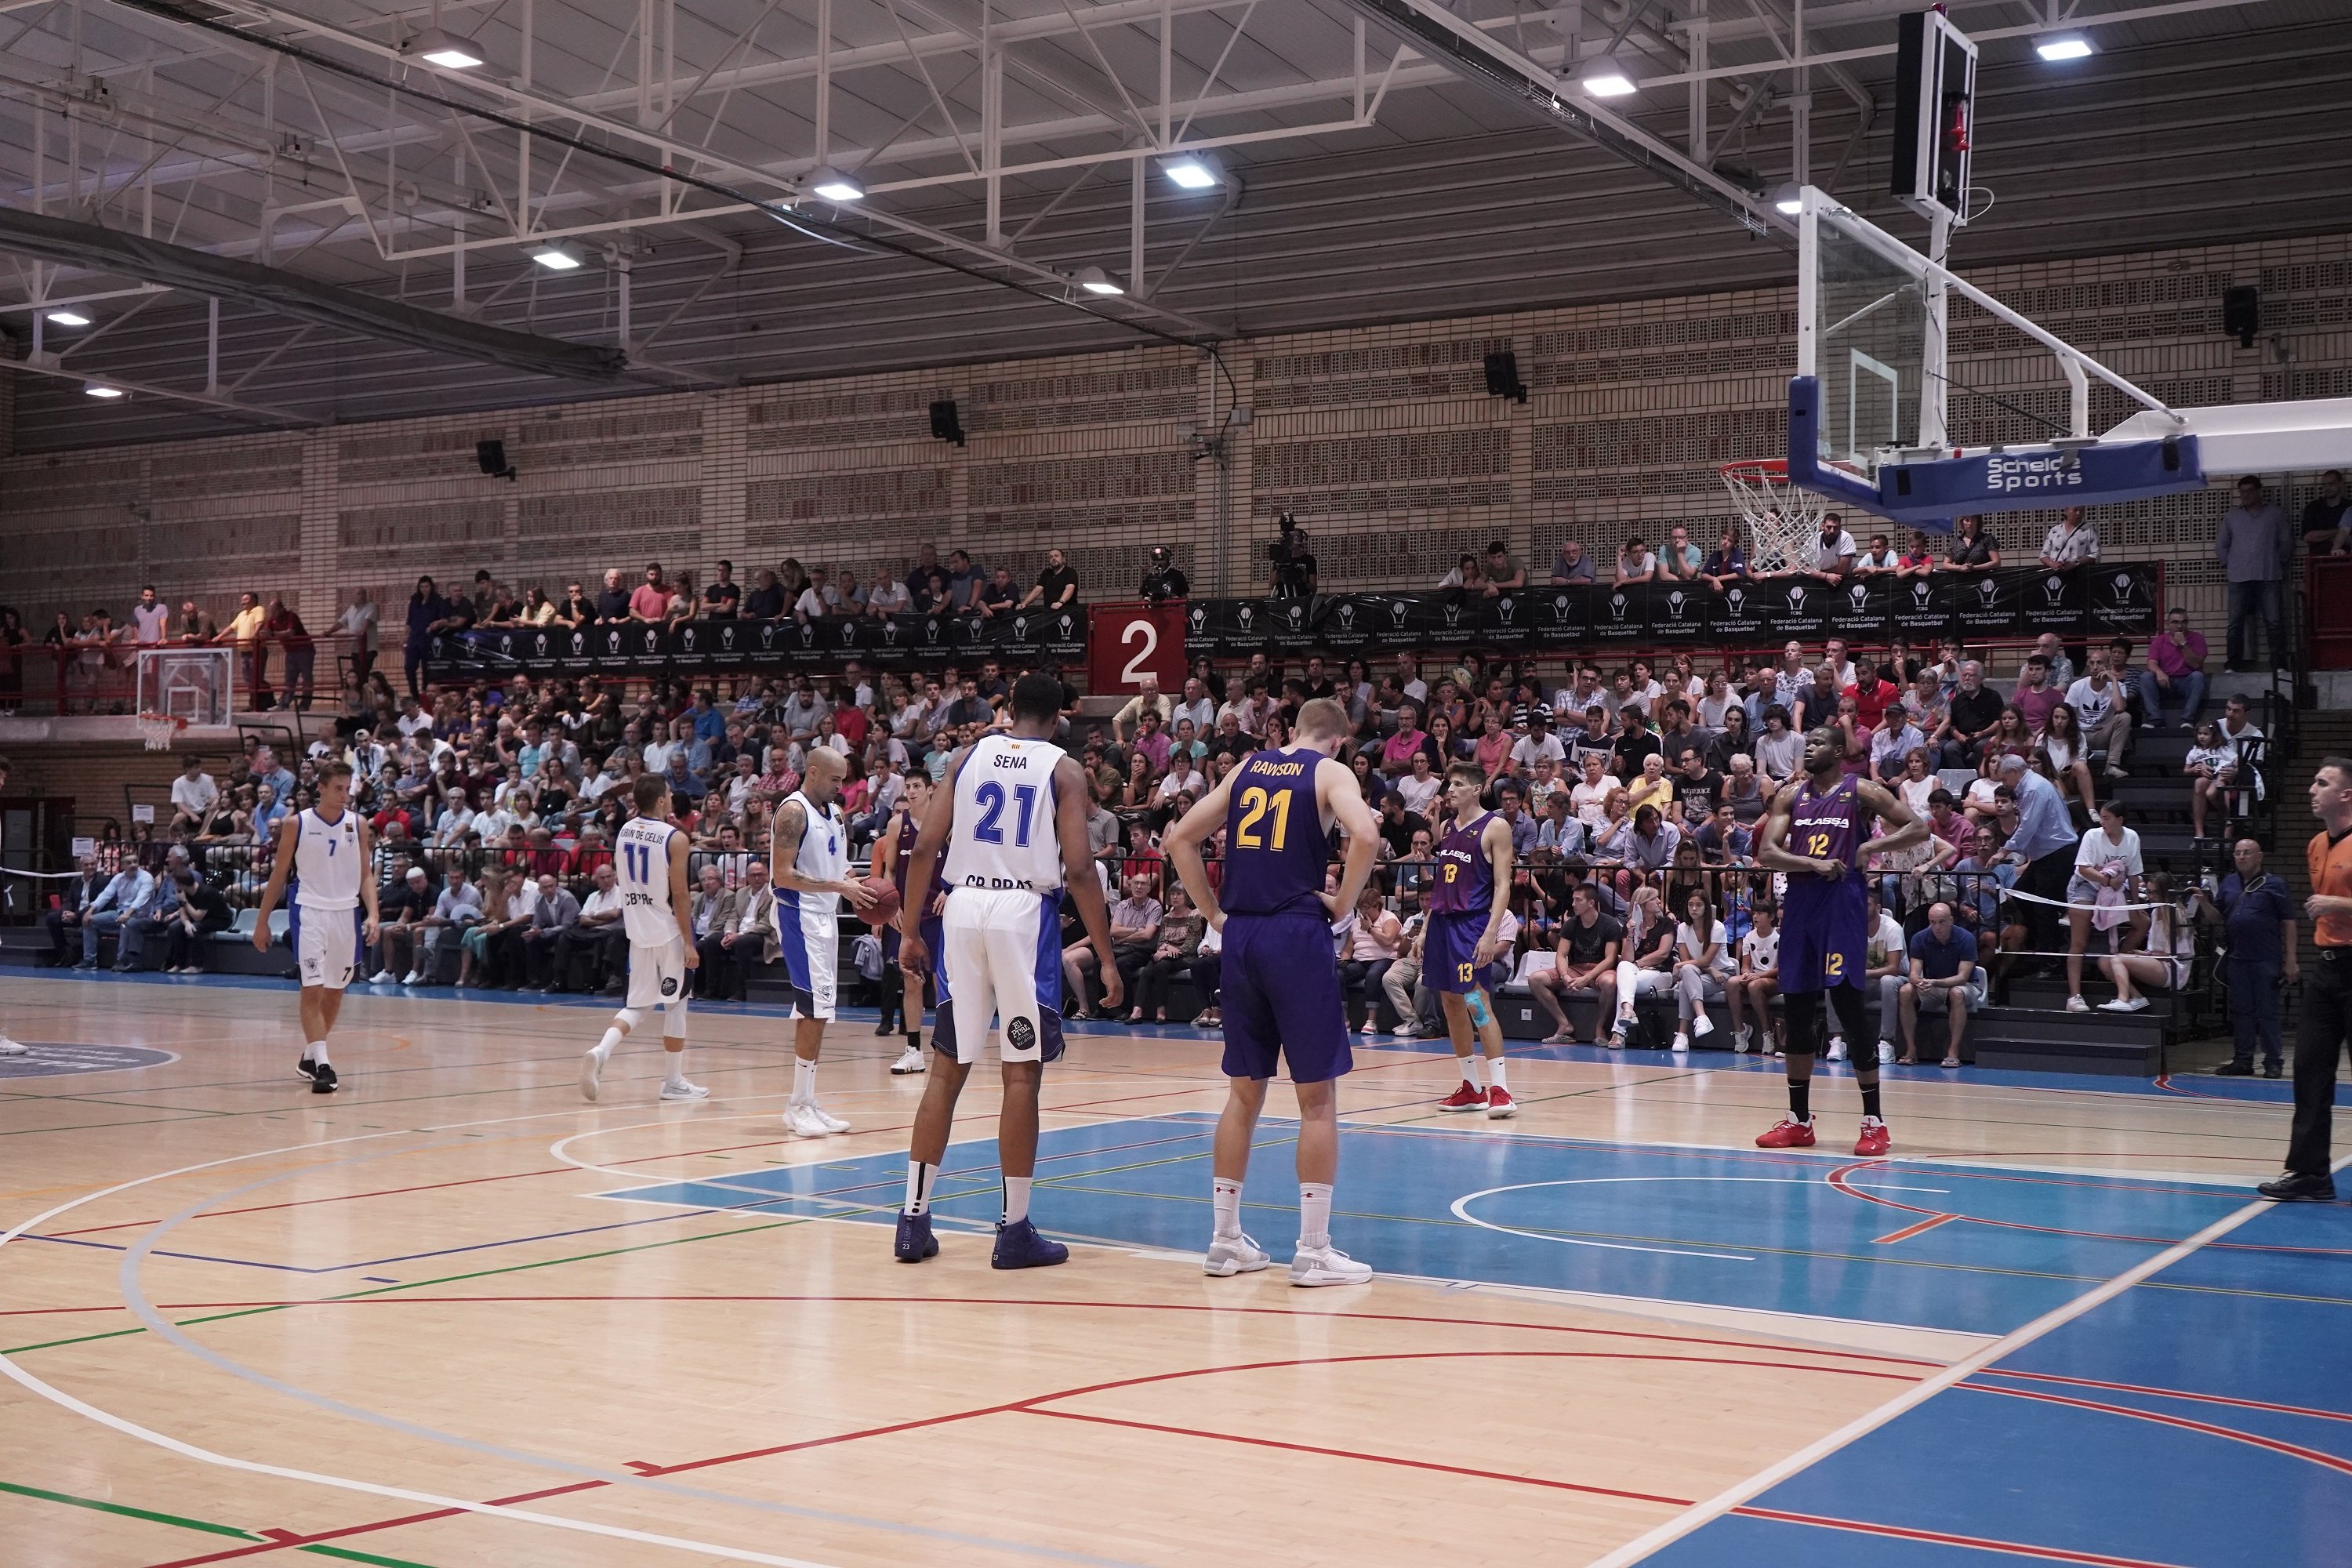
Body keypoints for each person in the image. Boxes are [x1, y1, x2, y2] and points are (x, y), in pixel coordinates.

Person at [894, 673, 1122, 1269]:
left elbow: (923, 848)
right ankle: (1014, 1230)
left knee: (946, 1071)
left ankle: (913, 1221)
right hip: (1023, 913)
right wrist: (1103, 952)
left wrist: (912, 929)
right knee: (1021, 1076)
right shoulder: (1065, 770)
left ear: (1010, 709)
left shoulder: (966, 757)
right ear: (1062, 717)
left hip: (963, 907)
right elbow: (1078, 868)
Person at [1161, 697, 1381, 1285]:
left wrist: (1212, 913)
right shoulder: (1330, 771)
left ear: (1295, 729)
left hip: (1242, 937)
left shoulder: (1246, 768)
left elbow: (1179, 838)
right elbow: (1365, 833)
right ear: (1337, 740)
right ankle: (1313, 1250)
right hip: (1294, 932)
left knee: (1243, 1095)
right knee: (1316, 1100)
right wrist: (1343, 904)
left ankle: (1225, 1240)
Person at [1754, 725, 1927, 1156]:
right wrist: (1810, 863)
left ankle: (1874, 1123)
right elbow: (1768, 853)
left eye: (1817, 743)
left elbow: (1919, 828)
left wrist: (1873, 848)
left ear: (1837, 750)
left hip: (1843, 902)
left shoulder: (1861, 789)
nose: (1809, 748)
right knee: (1795, 1010)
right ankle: (1798, 1121)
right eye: (1806, 743)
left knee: (1848, 1007)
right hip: (1800, 902)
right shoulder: (1790, 795)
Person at [250, 760, 381, 1094]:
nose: (344, 794)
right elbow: (279, 875)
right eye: (338, 788)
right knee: (312, 987)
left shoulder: (358, 823)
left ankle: (310, 1056)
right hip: (308, 910)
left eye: (347, 788)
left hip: (346, 913)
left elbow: (365, 873)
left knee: (335, 991)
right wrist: (262, 921)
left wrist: (374, 914)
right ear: (320, 788)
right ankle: (324, 1065)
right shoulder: (297, 823)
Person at [576, 775, 706, 1103]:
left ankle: (601, 1050)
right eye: (669, 794)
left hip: (637, 930)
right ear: (662, 801)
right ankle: (673, 1082)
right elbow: (680, 895)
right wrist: (689, 943)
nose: (672, 796)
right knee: (677, 1006)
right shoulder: (675, 838)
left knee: (638, 1006)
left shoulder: (624, 831)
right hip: (667, 930)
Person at [771, 748, 880, 1134]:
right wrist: (838, 886)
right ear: (813, 772)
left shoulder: (834, 813)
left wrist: (860, 886)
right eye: (835, 780)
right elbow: (782, 874)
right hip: (798, 914)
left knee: (816, 1009)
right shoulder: (793, 811)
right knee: (814, 1009)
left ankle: (807, 1100)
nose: (841, 787)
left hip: (825, 915)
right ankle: (796, 1105)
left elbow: (840, 866)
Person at [2263, 760, 2352, 1201]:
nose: (2313, 789)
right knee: (2310, 1071)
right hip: (2327, 968)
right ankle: (2310, 1173)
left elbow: (2335, 903)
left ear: (2346, 794)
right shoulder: (2317, 843)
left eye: (2323, 783)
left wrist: (2339, 902)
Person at [1427, 764, 1517, 1116]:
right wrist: (1424, 929)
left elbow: (1503, 885)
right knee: (1450, 1002)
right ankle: (1472, 1087)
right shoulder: (1448, 827)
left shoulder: (1496, 826)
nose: (1451, 789)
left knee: (1476, 1003)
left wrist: (1490, 932)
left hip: (1472, 924)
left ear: (1477, 789)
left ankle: (1501, 1090)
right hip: (1442, 924)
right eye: (1450, 783)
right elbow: (1441, 885)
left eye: (1459, 784)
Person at [2196, 838, 2295, 1077]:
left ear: (2259, 856)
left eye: (2247, 853)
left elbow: (2290, 923)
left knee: (2267, 1012)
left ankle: (2273, 1062)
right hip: (2237, 958)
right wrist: (2203, 902)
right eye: (2238, 853)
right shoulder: (2229, 883)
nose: (2241, 857)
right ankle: (2243, 1061)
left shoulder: (2275, 885)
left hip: (2265, 959)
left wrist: (2291, 960)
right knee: (2241, 1012)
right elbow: (2216, 918)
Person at [872, 771, 942, 1075]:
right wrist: (892, 905)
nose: (912, 792)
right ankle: (914, 1050)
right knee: (911, 981)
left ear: (930, 789)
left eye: (917, 787)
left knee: (944, 981)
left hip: (939, 913)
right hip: (908, 915)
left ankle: (947, 1044)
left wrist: (951, 892)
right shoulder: (896, 824)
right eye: (908, 787)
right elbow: (889, 872)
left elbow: (962, 862)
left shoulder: (945, 821)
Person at [2064, 802, 2146, 1012]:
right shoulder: (2092, 835)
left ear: (2120, 820)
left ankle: (2118, 965)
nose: (2103, 822)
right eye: (2101, 817)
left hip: (2116, 888)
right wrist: (2107, 881)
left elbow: (2134, 873)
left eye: (2107, 818)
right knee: (2079, 942)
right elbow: (2083, 868)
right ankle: (2074, 997)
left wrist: (2136, 904)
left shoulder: (2132, 837)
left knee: (2142, 921)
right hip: (2086, 886)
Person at [1530, 882, 1621, 1045]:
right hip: (1576, 968)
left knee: (1610, 982)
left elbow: (1610, 959)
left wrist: (1587, 979)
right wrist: (1564, 975)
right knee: (1535, 979)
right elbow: (1561, 955)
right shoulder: (1572, 923)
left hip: (1600, 969)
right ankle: (1564, 1024)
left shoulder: (1609, 924)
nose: (1573, 904)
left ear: (1591, 903)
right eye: (1573, 900)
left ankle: (1600, 1027)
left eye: (1578, 900)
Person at [2217, 474, 2288, 670]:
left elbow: (2285, 543)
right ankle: (2233, 664)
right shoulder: (2232, 516)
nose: (2246, 495)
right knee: (2235, 624)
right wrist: (2229, 565)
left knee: (2274, 622)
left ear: (2259, 491)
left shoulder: (2274, 513)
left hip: (2269, 575)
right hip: (2238, 578)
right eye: (2242, 492)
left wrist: (2277, 562)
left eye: (2250, 491)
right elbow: (2221, 546)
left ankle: (2279, 664)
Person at [1898, 902, 1978, 1069]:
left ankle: (1953, 1053)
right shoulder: (1919, 938)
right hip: (1934, 985)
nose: (1937, 927)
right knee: (1906, 990)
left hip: (1965, 986)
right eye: (1933, 922)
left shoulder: (1966, 938)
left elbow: (1962, 978)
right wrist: (1918, 982)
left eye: (1941, 922)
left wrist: (1935, 982)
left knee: (1956, 993)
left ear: (1951, 920)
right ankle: (1911, 1050)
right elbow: (1913, 972)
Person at [2100, 872, 2189, 1014]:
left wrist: (2145, 955)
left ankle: (2123, 999)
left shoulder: (2177, 913)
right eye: (2148, 892)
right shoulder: (2155, 912)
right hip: (2156, 962)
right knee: (2104, 961)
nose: (2150, 896)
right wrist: (2143, 954)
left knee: (2118, 960)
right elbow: (2154, 950)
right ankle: (2137, 997)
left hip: (2173, 970)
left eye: (2155, 893)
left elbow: (2175, 955)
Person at [1669, 890, 1732, 1053]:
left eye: (1698, 905)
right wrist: (1709, 969)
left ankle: (1683, 1035)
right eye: (1691, 905)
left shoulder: (1717, 927)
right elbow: (1686, 962)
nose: (1694, 909)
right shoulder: (1683, 928)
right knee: (1687, 972)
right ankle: (1702, 1017)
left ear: (1706, 908)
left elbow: (1705, 960)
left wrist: (1709, 967)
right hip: (1701, 973)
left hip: (1722, 974)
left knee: (1685, 984)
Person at [2137, 606, 2209, 730]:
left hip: (2186, 682)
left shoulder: (2197, 638)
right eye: (2175, 622)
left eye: (2183, 622)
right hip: (2165, 682)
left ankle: (2187, 720)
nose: (2180, 626)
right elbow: (2151, 663)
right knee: (2146, 677)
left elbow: (2196, 665)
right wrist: (2159, 672)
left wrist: (2184, 644)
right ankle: (2156, 720)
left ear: (2187, 623)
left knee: (2198, 677)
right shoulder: (2159, 641)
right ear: (2167, 624)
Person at [1728, 901, 1779, 1054]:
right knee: (1732, 983)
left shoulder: (1779, 936)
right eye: (1754, 913)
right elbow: (1745, 965)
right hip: (1756, 976)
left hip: (1774, 979)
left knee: (1754, 986)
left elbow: (1781, 969)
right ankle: (1740, 1030)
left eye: (1760, 914)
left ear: (1771, 917)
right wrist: (1746, 974)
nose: (1755, 917)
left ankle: (1767, 1032)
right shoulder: (1748, 937)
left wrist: (1758, 976)